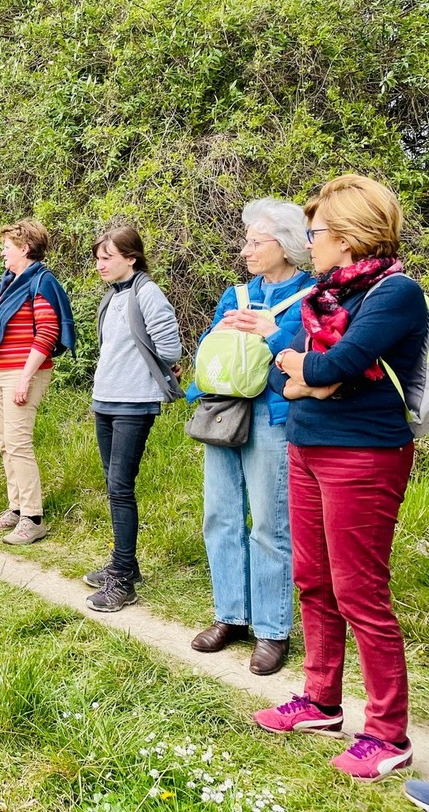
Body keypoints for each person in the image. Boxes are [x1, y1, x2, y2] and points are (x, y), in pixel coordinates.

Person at [253, 175, 428, 781]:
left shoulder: (396, 293)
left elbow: (338, 364)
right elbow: (285, 372)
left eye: (316, 232)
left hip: (363, 456)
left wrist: (314, 372)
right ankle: (321, 702)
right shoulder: (324, 295)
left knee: (360, 592)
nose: (309, 243)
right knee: (313, 580)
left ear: (348, 236)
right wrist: (309, 376)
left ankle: (387, 733)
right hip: (306, 445)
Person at [187, 200, 315, 676]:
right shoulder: (235, 295)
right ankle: (230, 616)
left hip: (273, 417)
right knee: (220, 516)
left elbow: (309, 356)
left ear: (284, 245)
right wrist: (217, 334)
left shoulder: (311, 296)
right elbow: (206, 353)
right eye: (247, 241)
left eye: (255, 242)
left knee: (269, 524)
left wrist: (272, 331)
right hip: (225, 412)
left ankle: (272, 630)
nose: (246, 250)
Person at [85, 226, 182, 613]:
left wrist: (156, 369)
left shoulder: (147, 293)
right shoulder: (114, 295)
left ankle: (123, 579)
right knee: (113, 485)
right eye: (98, 258)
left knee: (121, 487)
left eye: (107, 257)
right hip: (106, 399)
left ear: (131, 257)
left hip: (134, 402)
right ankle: (125, 564)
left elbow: (170, 347)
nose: (100, 264)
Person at [0, 220, 75, 545]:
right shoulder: (9, 284)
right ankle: (16, 507)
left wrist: (25, 378)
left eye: (7, 247)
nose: (2, 252)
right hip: (0, 371)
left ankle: (33, 518)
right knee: (5, 442)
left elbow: (48, 333)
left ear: (24, 248)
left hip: (23, 373)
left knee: (18, 443)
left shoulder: (40, 282)